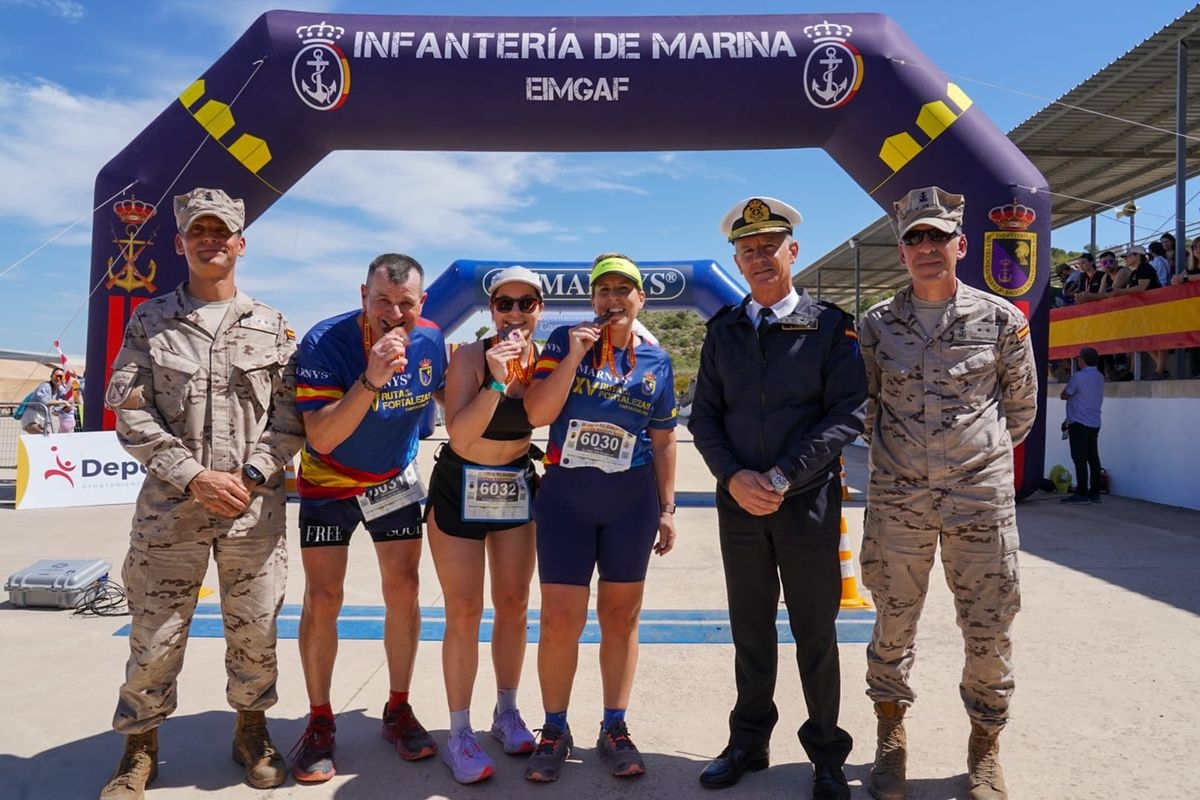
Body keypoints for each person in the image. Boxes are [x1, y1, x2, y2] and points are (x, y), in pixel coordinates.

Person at [99, 187, 304, 799]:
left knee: (255, 631)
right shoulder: (151, 320)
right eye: (198, 231)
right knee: (155, 637)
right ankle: (139, 746)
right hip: (171, 514)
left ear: (241, 243)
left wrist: (248, 476)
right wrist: (194, 476)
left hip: (251, 512)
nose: (210, 240)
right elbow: (129, 413)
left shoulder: (270, 325)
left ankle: (251, 731)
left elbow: (291, 418)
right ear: (181, 241)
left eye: (221, 231)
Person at [858, 186, 1038, 800]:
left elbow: (1020, 410)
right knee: (892, 623)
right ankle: (890, 737)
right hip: (898, 502)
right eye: (915, 238)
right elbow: (866, 406)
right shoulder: (877, 324)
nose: (927, 247)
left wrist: (969, 463)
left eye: (937, 236)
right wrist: (905, 464)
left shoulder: (1002, 320)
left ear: (960, 245)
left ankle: (985, 748)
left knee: (988, 628)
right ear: (901, 251)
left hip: (979, 501)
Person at [689, 197, 866, 800]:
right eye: (748, 250)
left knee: (815, 632)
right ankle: (748, 741)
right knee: (750, 630)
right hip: (739, 504)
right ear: (735, 259)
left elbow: (849, 412)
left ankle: (825, 755)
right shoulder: (725, 331)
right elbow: (704, 419)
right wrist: (735, 477)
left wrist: (786, 474)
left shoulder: (828, 327)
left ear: (793, 252)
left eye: (770, 247)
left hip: (807, 502)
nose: (759, 258)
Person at [290, 253, 447, 783]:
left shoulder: (431, 340)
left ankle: (397, 707)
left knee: (403, 588)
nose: (393, 313)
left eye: (405, 304)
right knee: (323, 597)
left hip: (392, 482)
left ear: (421, 303)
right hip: (328, 481)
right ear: (363, 295)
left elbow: (457, 393)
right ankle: (319, 720)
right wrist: (373, 377)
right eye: (383, 301)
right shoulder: (323, 342)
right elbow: (322, 435)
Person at [521, 253, 678, 783]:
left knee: (621, 617)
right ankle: (554, 727)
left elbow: (663, 439)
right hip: (567, 497)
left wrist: (669, 508)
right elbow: (538, 414)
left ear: (641, 299)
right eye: (604, 289)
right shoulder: (566, 341)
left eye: (624, 289)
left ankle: (615, 725)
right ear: (593, 299)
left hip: (631, 502)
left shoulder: (656, 361)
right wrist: (574, 357)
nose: (614, 298)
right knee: (560, 619)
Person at [423, 266, 543, 784]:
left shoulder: (548, 360)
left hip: (515, 481)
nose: (514, 314)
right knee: (465, 610)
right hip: (461, 482)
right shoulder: (469, 358)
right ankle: (458, 732)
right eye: (504, 304)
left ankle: (508, 710)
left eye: (525, 304)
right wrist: (496, 379)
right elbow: (463, 436)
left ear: (539, 309)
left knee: (514, 604)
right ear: (491, 311)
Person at [1060, 346, 1104, 505]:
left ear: (1083, 360)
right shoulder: (1099, 377)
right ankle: (1095, 493)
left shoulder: (1077, 377)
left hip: (1078, 422)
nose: (1077, 360)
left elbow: (1065, 395)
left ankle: (1082, 493)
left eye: (1079, 358)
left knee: (1079, 458)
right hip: (1094, 421)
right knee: (1093, 457)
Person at [18, 367, 74, 434]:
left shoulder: (60, 388)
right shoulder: (45, 386)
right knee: (43, 434)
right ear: (51, 377)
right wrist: (64, 402)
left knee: (45, 436)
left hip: (43, 417)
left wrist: (68, 387)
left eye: (61, 376)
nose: (58, 378)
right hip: (31, 415)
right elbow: (45, 402)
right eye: (56, 376)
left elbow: (71, 400)